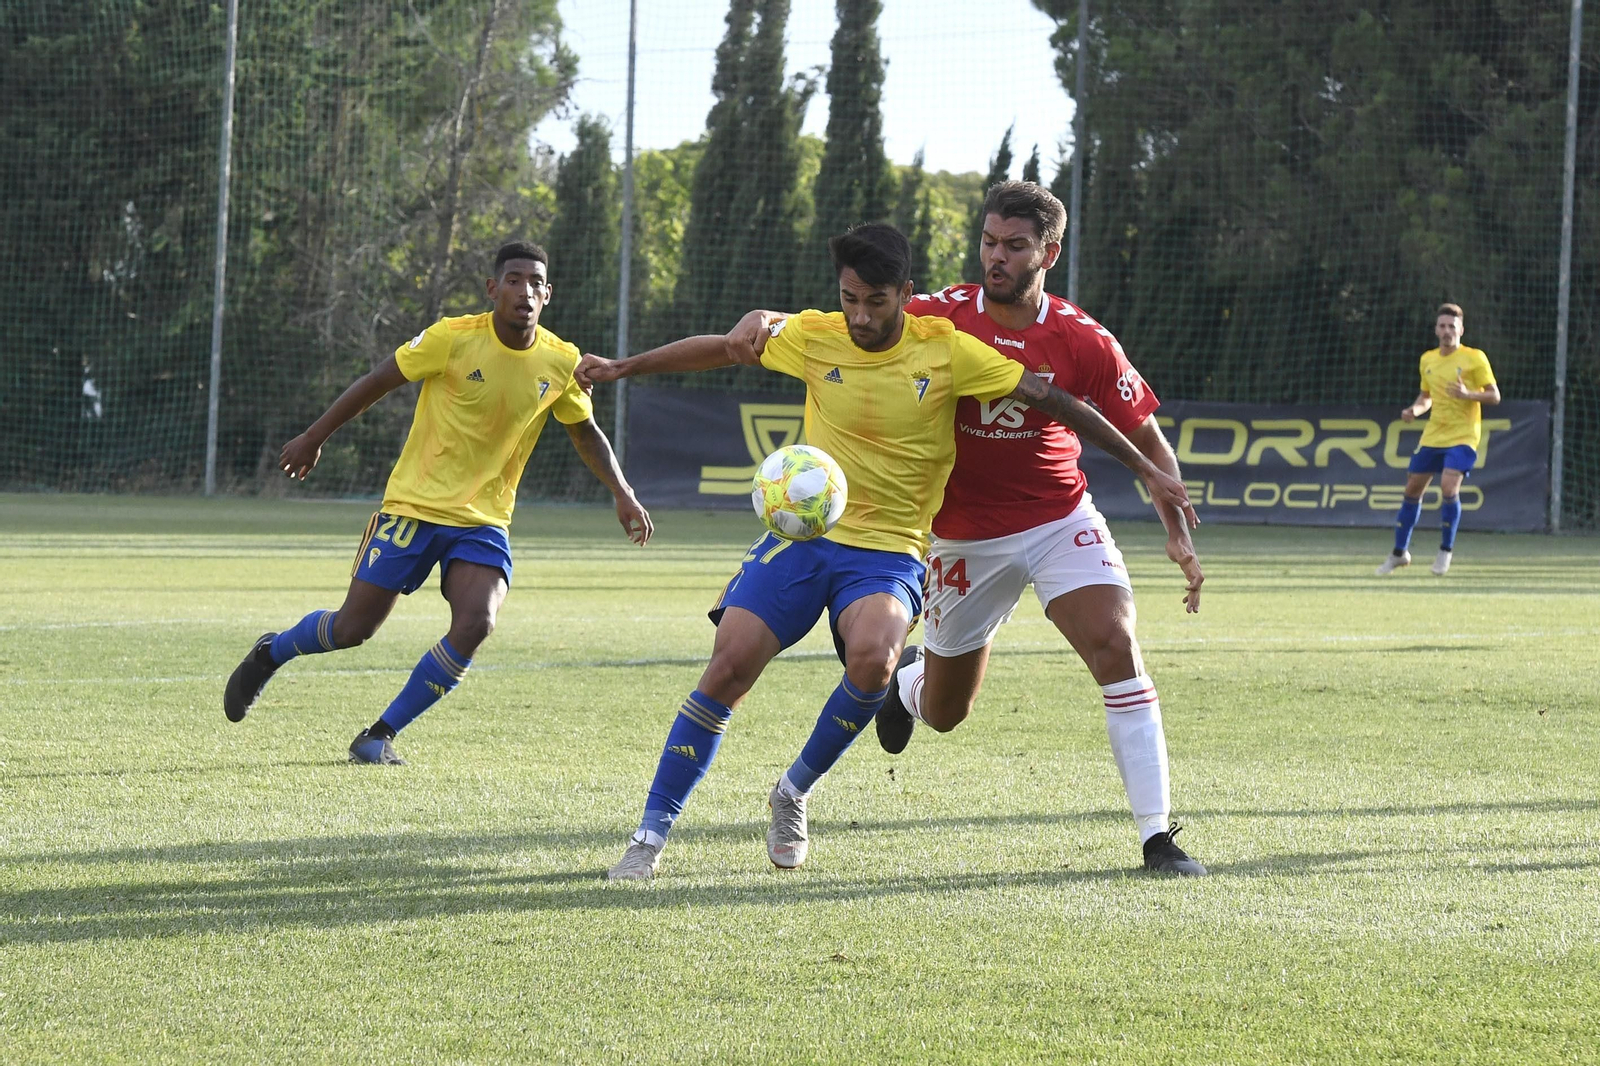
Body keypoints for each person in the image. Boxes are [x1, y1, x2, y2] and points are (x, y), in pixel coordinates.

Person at [577, 223, 1197, 881]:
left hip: (892, 550)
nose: (861, 316)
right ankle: (647, 841)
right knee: (728, 665)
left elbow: (1054, 400)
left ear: (906, 294)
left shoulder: (948, 349)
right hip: (801, 540)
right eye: (849, 299)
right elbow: (729, 348)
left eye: (876, 301)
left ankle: (792, 791)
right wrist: (625, 367)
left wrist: (1145, 467)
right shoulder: (816, 336)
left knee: (875, 661)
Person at [868, 181, 1208, 876]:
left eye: (1015, 246)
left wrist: (1177, 532)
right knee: (946, 712)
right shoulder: (937, 317)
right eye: (989, 241)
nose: (997, 256)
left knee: (1116, 645)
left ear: (1048, 252)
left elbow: (1146, 440)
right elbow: (860, 328)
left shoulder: (1083, 340)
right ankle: (910, 685)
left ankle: (1157, 839)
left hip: (1058, 516)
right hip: (961, 534)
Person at [222, 241, 652, 763]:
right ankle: (273, 652)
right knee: (352, 628)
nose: (525, 291)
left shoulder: (560, 361)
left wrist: (623, 493)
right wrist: (315, 437)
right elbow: (377, 381)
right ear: (493, 289)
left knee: (477, 622)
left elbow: (586, 433)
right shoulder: (451, 338)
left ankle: (379, 735)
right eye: (513, 280)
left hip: (483, 521)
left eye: (536, 283)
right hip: (413, 507)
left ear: (548, 295)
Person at [1376, 303, 1499, 577]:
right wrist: (1414, 410)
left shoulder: (1474, 358)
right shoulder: (1427, 360)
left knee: (1447, 485)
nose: (1447, 331)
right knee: (1411, 490)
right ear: (1436, 329)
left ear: (1461, 330)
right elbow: (1426, 397)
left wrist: (1468, 395)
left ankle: (1445, 551)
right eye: (1442, 326)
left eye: (1452, 327)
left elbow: (1494, 396)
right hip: (1434, 434)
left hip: (1464, 434)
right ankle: (1399, 554)